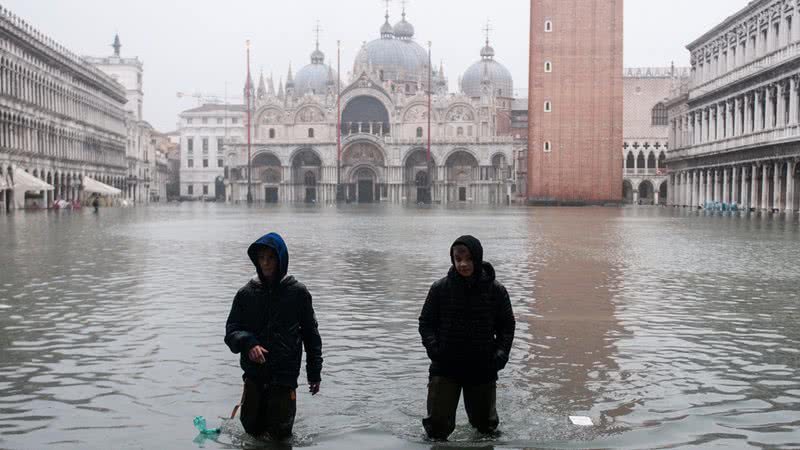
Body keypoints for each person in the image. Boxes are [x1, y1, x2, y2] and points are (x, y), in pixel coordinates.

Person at [224, 232, 323, 440]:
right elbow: (231, 332)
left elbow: (311, 336)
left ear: (280, 260)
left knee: (280, 437)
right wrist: (249, 343)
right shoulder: (246, 294)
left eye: (271, 258)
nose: (266, 264)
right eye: (262, 258)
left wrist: (314, 373)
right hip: (254, 377)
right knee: (251, 432)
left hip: (284, 379)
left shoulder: (298, 293)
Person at [419, 235, 515, 440]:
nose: (463, 264)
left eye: (469, 259)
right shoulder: (440, 288)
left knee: (485, 429)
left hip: (482, 367)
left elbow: (507, 326)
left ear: (477, 259)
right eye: (458, 259)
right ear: (452, 260)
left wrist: (500, 355)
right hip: (445, 366)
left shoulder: (496, 290)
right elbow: (425, 323)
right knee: (437, 428)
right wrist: (435, 350)